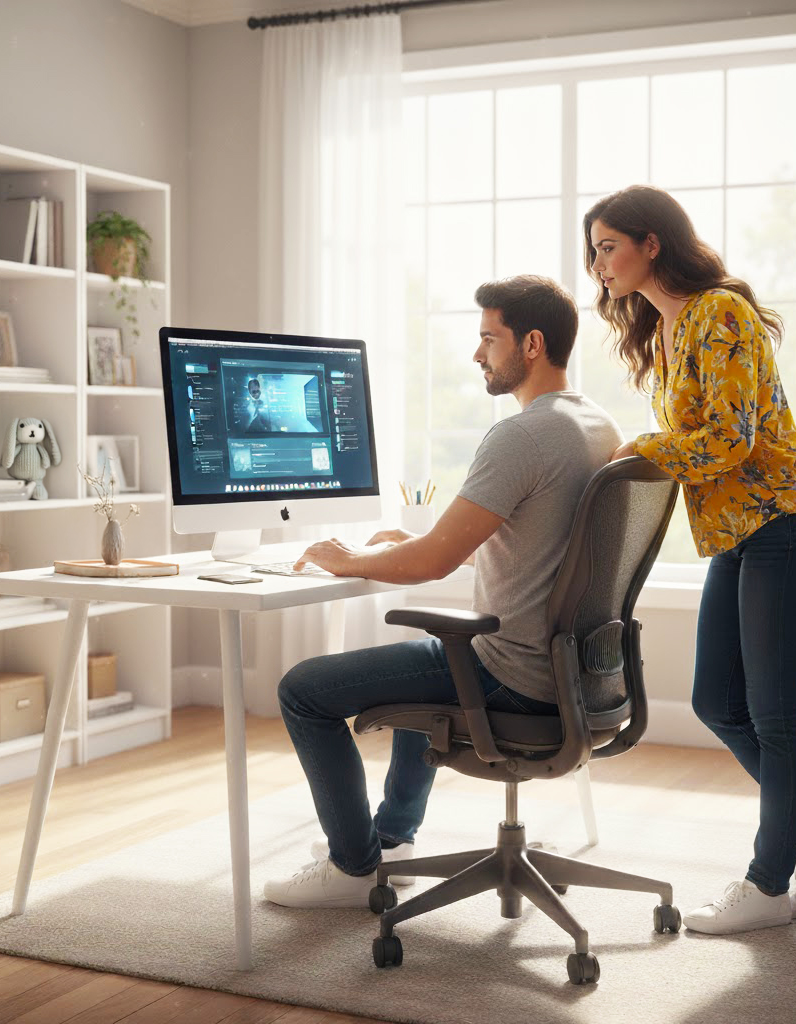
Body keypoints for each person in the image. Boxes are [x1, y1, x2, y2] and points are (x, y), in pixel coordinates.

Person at [263, 275, 623, 908]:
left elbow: (433, 564)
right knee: (428, 664)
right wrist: (413, 541)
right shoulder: (595, 425)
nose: (477, 353)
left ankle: (352, 869)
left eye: (489, 338)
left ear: (532, 344)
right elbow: (541, 544)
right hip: (579, 676)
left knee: (303, 691)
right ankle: (392, 842)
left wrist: (350, 560)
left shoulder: (521, 436)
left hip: (513, 676)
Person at [583, 184, 796, 935]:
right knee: (716, 701)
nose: (598, 263)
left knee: (774, 715)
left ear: (651, 242)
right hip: (740, 534)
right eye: (593, 250)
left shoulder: (720, 311)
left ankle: (768, 884)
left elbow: (729, 440)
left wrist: (642, 446)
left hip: (788, 524)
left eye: (608, 246)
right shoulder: (666, 333)